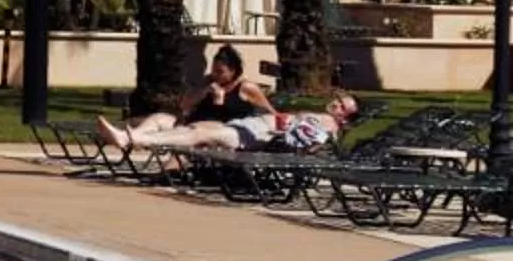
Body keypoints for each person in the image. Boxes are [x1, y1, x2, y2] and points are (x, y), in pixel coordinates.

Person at [100, 91, 360, 155]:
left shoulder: (328, 126)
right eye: (338, 99)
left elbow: (303, 143)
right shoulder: (324, 119)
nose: (336, 103)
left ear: (344, 117)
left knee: (198, 134)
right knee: (178, 124)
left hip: (256, 135)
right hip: (248, 126)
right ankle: (132, 137)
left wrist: (283, 128)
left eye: (342, 105)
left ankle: (132, 139)